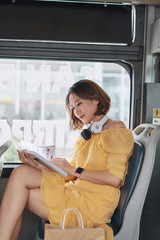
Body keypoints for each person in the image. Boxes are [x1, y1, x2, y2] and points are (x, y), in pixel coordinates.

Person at [0, 79, 134, 240]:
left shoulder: (116, 129)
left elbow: (114, 179)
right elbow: (70, 175)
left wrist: (75, 170)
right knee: (20, 177)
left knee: (17, 191)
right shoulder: (89, 134)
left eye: (79, 103)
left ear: (96, 99)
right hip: (76, 193)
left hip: (92, 205)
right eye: (72, 107)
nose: (76, 111)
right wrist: (36, 164)